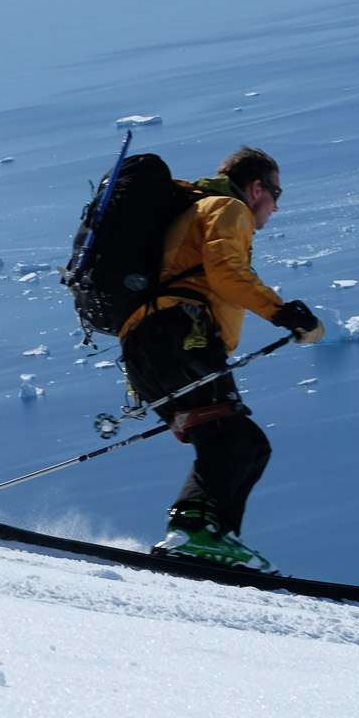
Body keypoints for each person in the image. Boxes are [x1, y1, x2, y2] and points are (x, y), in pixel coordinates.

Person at [116, 146, 324, 571]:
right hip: (178, 336)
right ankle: (194, 536)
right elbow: (226, 272)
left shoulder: (189, 212)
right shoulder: (228, 207)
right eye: (276, 192)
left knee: (243, 443)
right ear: (256, 187)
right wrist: (284, 312)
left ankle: (212, 540)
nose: (277, 206)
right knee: (233, 440)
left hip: (151, 348)